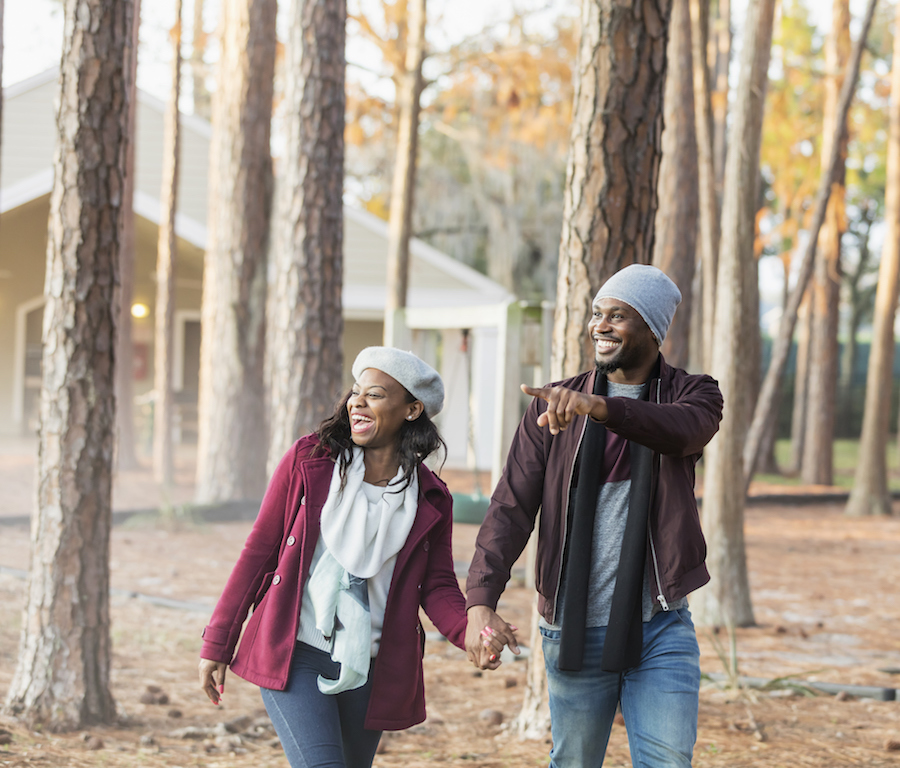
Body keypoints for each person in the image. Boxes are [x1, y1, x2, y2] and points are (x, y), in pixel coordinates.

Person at [464, 264, 724, 767]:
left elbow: (682, 431)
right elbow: (511, 507)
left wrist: (601, 410)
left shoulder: (694, 395)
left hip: (659, 626)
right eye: (596, 313)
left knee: (669, 761)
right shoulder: (551, 410)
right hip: (574, 627)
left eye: (617, 315)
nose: (600, 325)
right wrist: (481, 599)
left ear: (651, 328)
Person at [199, 347, 494, 768]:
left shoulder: (430, 499)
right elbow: (260, 551)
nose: (357, 401)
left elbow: (438, 585)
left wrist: (470, 634)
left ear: (412, 409)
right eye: (356, 392)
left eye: (374, 394)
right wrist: (218, 641)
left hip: (370, 664)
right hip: (295, 651)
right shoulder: (310, 461)